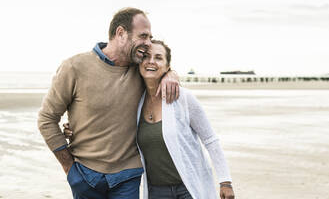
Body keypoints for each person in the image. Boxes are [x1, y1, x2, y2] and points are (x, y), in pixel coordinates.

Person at [37, 7, 180, 199]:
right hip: (85, 175)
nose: (148, 43)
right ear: (121, 33)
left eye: (150, 37)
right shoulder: (74, 67)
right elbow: (46, 119)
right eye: (143, 36)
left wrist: (172, 75)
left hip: (128, 176)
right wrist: (69, 169)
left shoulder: (140, 70)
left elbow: (160, 68)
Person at [65, 40, 236, 199]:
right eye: (146, 57)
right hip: (156, 191)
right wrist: (77, 127)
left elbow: (210, 140)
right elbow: (108, 119)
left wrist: (225, 181)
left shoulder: (182, 98)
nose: (151, 61)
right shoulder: (134, 100)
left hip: (188, 187)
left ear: (167, 66)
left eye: (158, 58)